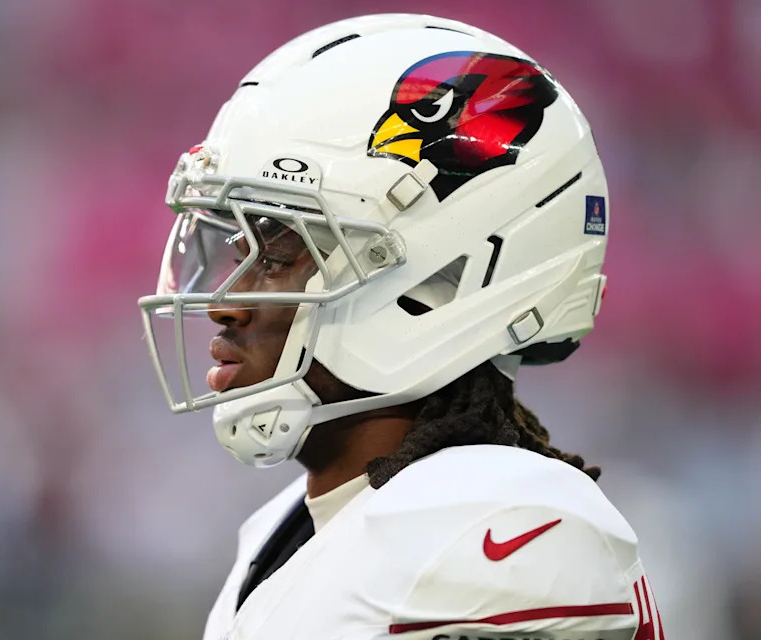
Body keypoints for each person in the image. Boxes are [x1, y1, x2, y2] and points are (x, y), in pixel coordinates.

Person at [138, 13, 665, 640]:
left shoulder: (500, 528)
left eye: (276, 256)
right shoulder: (288, 529)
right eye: (238, 252)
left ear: (441, 280)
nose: (225, 306)